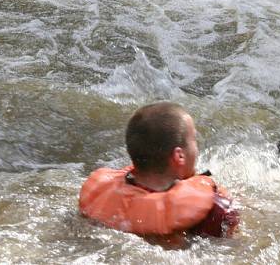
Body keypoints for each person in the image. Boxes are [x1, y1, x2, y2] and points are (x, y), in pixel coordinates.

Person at [79, 102, 239, 247]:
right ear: (179, 156)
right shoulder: (210, 209)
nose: (197, 148)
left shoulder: (100, 197)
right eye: (194, 140)